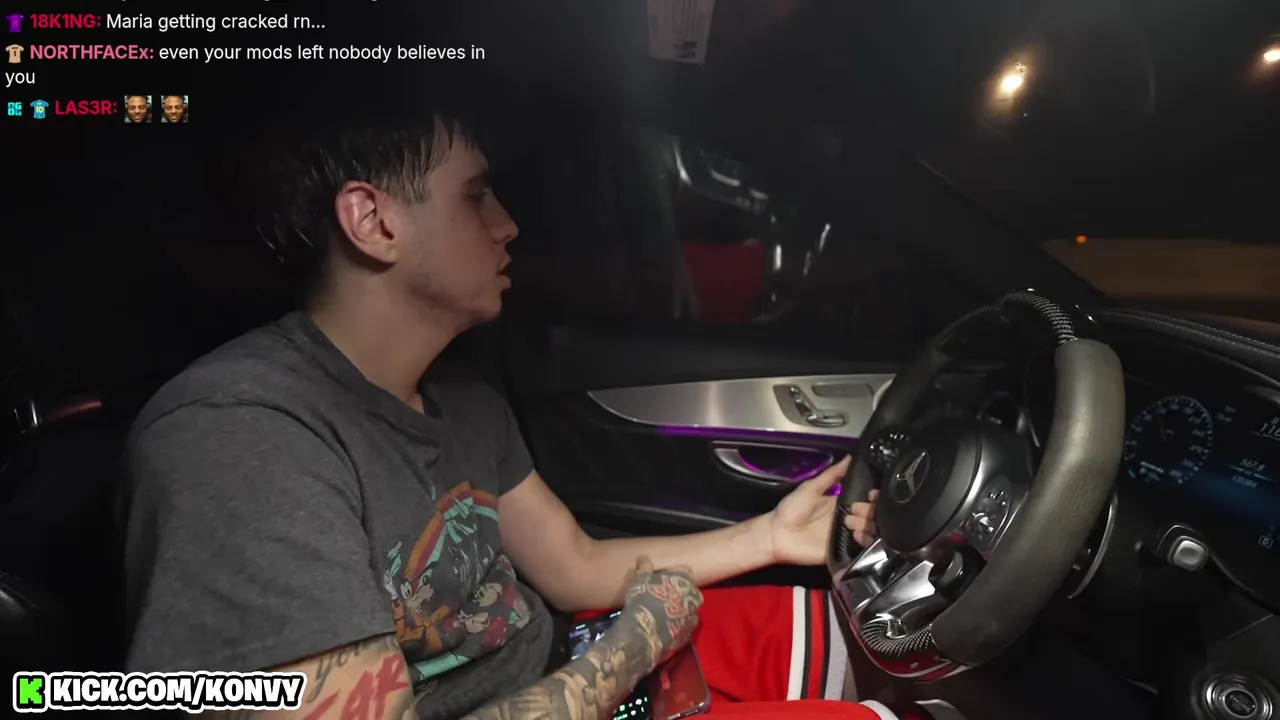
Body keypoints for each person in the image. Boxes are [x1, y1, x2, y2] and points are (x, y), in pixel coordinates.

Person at [121, 108, 901, 720]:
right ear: (375, 223)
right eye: (474, 196)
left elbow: (574, 567)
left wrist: (769, 538)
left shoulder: (457, 394)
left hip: (573, 666)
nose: (506, 224)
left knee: (872, 647)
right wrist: (633, 647)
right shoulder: (237, 437)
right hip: (591, 676)